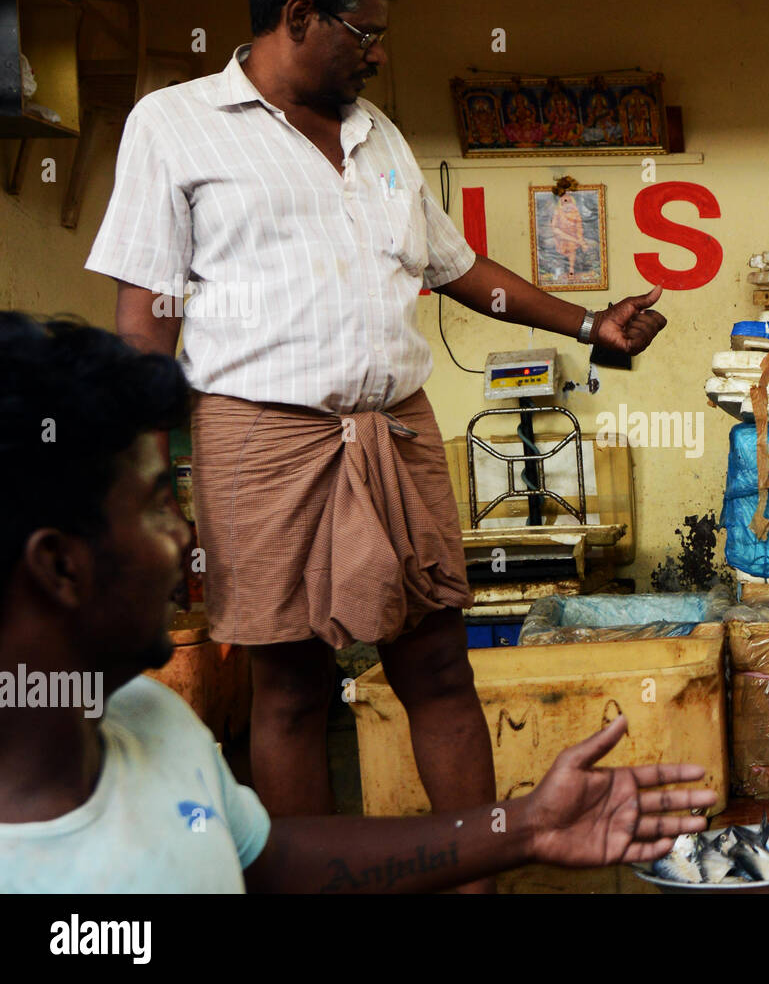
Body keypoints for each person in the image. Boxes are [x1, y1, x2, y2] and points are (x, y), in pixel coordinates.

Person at [83, 0, 668, 893]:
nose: (381, 53)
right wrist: (149, 489)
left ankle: (479, 877)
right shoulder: (173, 123)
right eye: (366, 33)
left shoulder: (377, 134)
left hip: (395, 431)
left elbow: (461, 267)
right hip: (261, 439)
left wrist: (590, 326)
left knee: (438, 662)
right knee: (292, 686)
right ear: (298, 16)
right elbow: (144, 326)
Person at [0, 313, 711, 893]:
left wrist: (523, 828)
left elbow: (268, 861)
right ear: (60, 566)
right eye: (159, 507)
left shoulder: (157, 724)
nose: (187, 534)